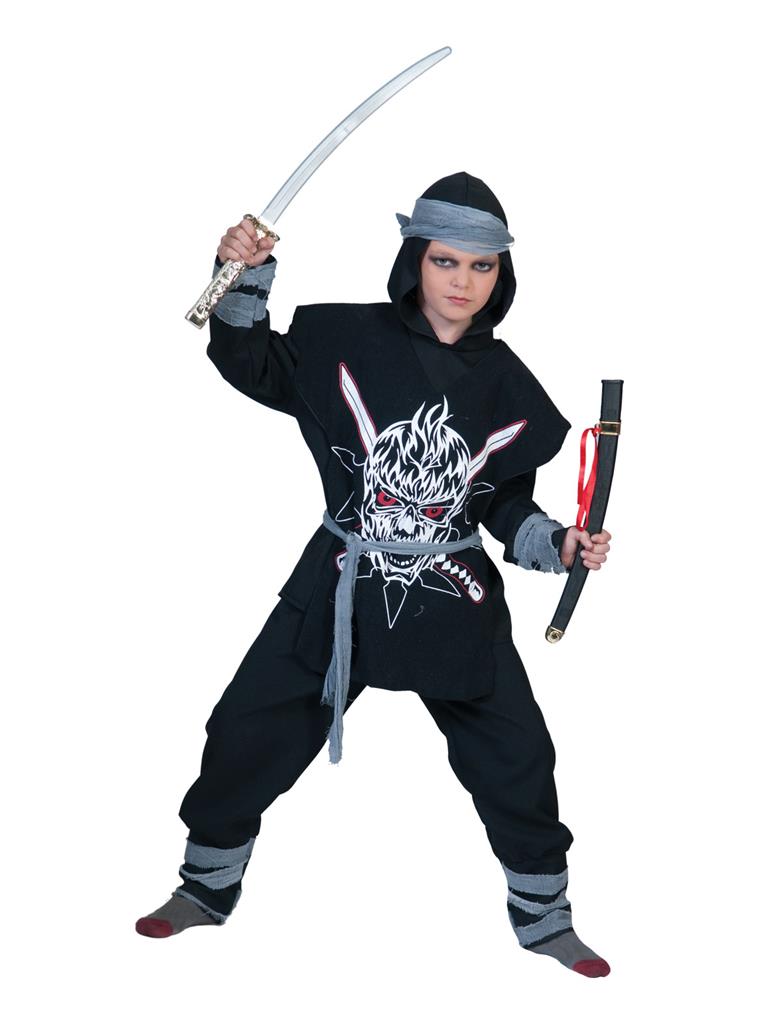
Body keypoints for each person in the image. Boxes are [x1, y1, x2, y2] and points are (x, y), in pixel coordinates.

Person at [136, 172, 613, 979]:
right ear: (413, 260)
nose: (462, 282)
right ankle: (206, 885)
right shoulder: (342, 339)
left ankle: (544, 915)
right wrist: (244, 272)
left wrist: (557, 543)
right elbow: (251, 361)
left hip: (453, 595)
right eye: (444, 261)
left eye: (481, 266)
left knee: (517, 756)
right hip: (338, 580)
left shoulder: (508, 384)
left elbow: (503, 504)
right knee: (247, 728)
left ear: (501, 275)